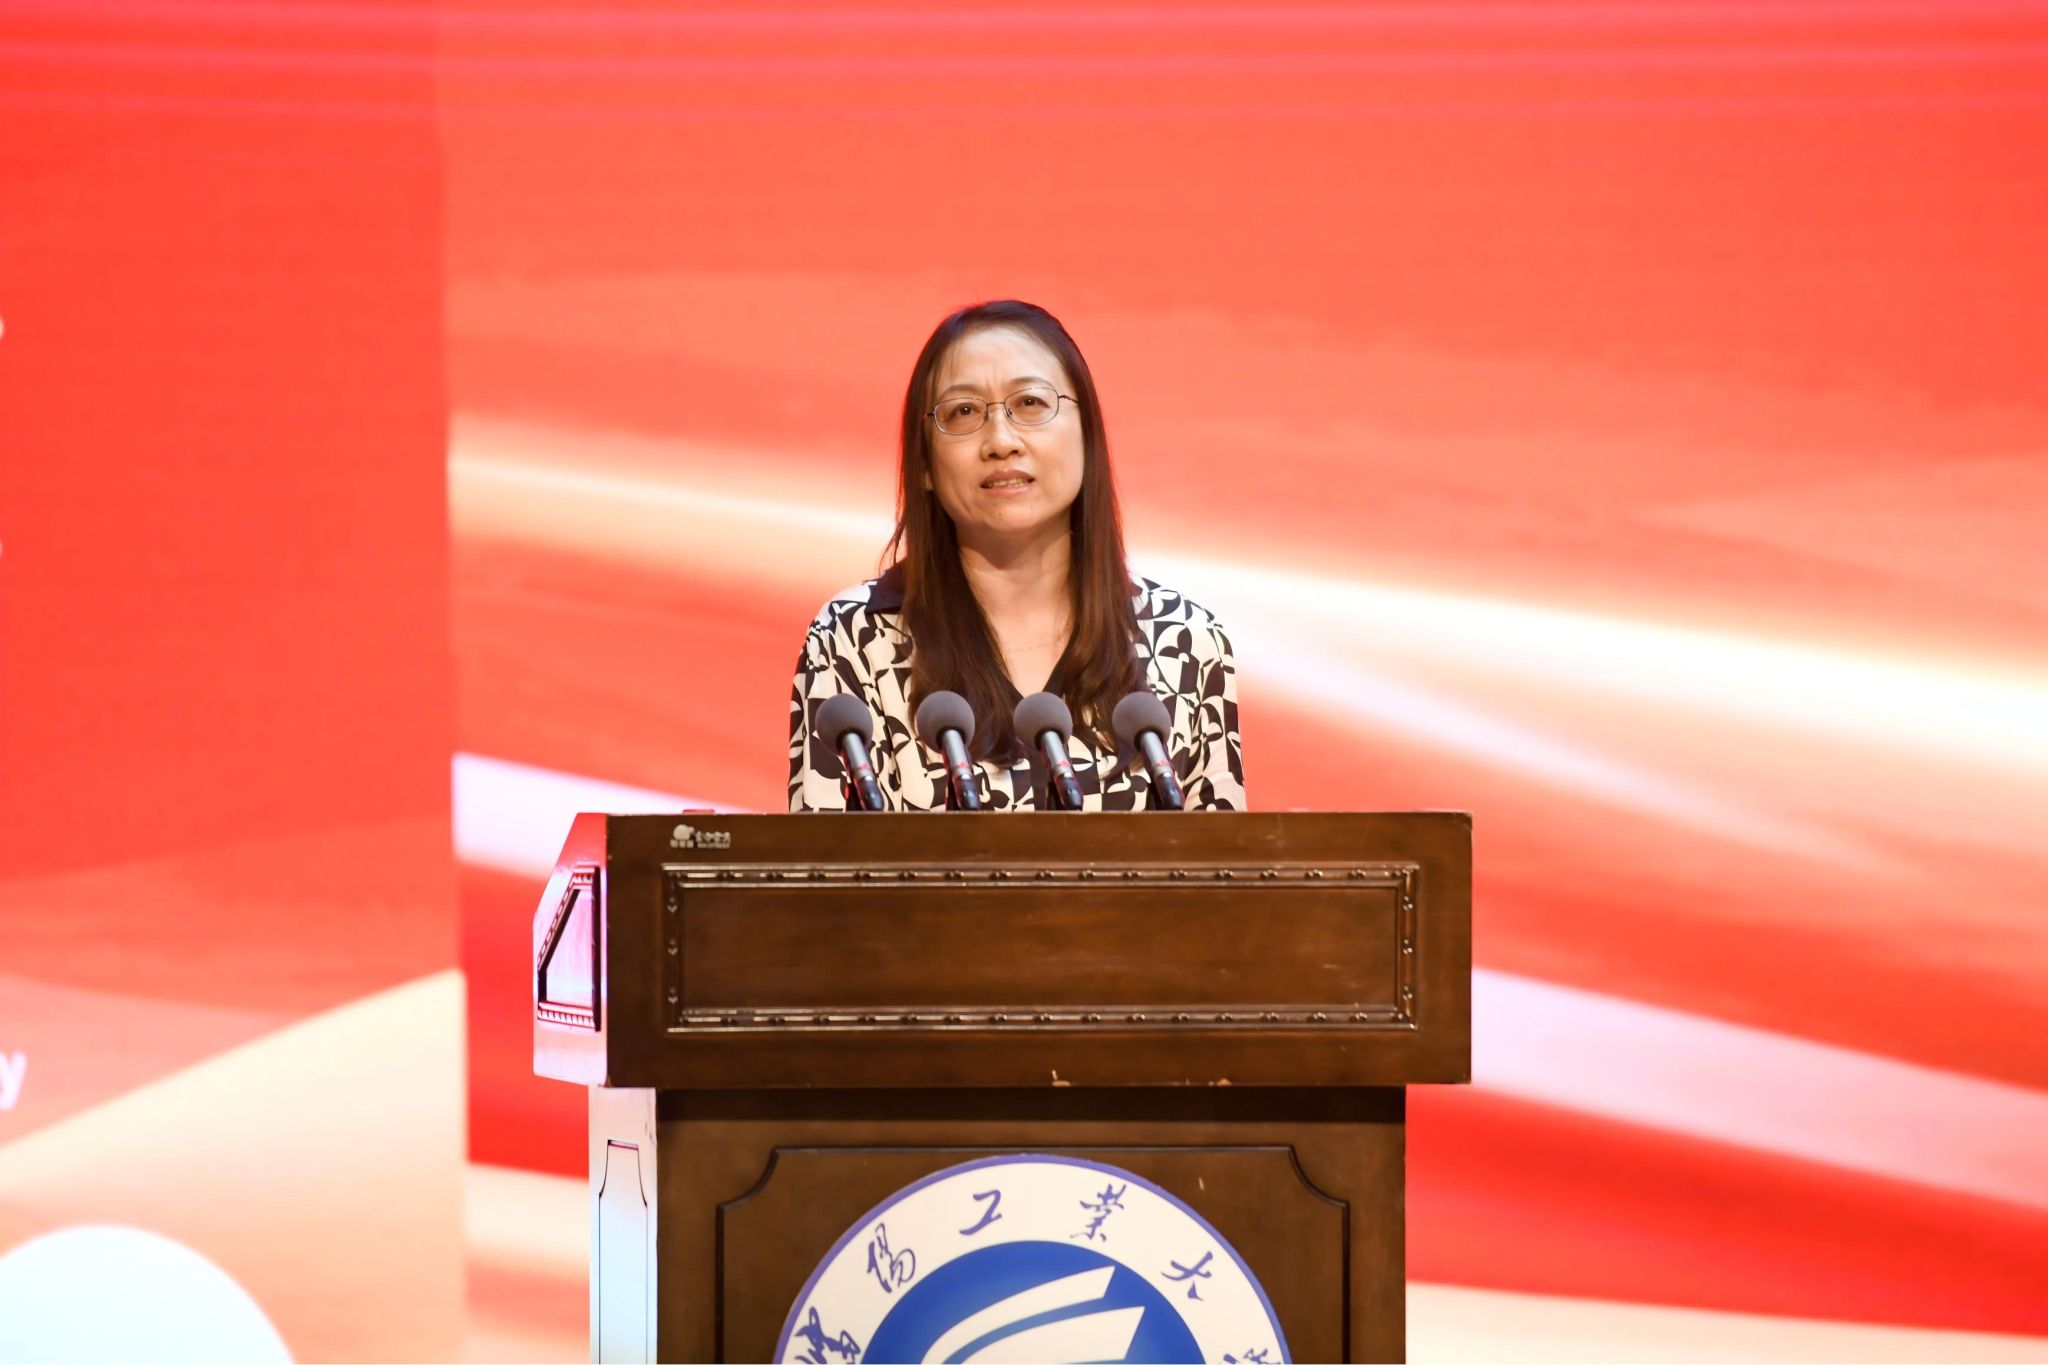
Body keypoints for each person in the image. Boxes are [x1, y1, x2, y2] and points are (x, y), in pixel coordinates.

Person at [787, 300, 1243, 812]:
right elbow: (821, 858)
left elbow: (1223, 860)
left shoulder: (1185, 641)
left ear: (1088, 435)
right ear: (926, 465)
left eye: (1029, 403)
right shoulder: (854, 639)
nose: (1001, 442)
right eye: (963, 412)